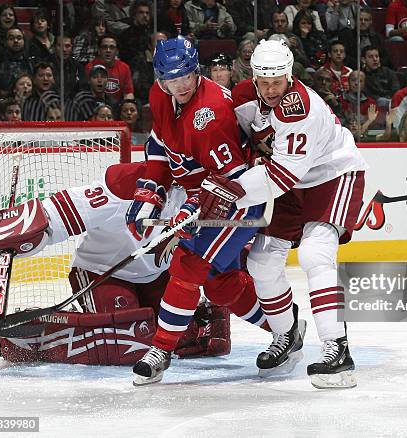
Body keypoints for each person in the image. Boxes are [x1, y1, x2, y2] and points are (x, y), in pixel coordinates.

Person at [0, 161, 270, 365]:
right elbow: (50, 217)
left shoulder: (206, 194)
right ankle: (35, 337)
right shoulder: (122, 187)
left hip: (156, 276)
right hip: (100, 274)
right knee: (129, 339)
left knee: (181, 336)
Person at [213, 39, 367, 388]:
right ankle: (287, 335)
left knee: (316, 254)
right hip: (284, 178)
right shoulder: (242, 96)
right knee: (262, 262)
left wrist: (228, 192)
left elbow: (279, 178)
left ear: (290, 75)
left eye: (277, 81)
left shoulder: (300, 109)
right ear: (253, 76)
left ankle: (336, 349)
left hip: (332, 174)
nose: (270, 89)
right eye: (263, 81)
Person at [126, 36, 264, 386]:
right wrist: (148, 194)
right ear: (160, 79)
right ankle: (286, 327)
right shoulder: (159, 96)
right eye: (173, 79)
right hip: (205, 196)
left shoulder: (212, 111)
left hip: (241, 199)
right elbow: (160, 145)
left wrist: (191, 208)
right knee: (220, 286)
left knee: (188, 262)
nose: (182, 84)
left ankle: (160, 350)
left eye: (187, 75)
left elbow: (232, 179)